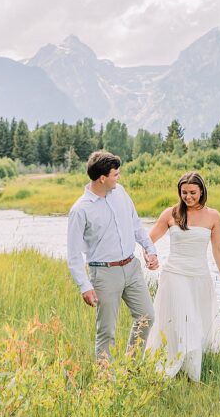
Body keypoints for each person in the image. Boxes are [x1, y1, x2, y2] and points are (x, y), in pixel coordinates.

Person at [66, 150, 159, 361]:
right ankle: (105, 383)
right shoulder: (80, 210)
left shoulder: (121, 193)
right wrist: (84, 286)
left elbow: (136, 225)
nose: (119, 178)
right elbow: (73, 255)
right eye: (115, 174)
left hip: (132, 268)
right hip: (104, 273)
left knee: (146, 317)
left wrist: (150, 249)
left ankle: (131, 370)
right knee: (107, 332)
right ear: (102, 178)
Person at [144, 171, 220, 381]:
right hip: (174, 274)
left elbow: (218, 249)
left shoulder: (213, 216)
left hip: (200, 277)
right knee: (185, 320)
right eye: (184, 192)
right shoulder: (171, 213)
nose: (188, 197)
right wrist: (149, 256)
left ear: (202, 191)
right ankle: (187, 373)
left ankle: (187, 366)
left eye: (193, 192)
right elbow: (148, 239)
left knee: (197, 321)